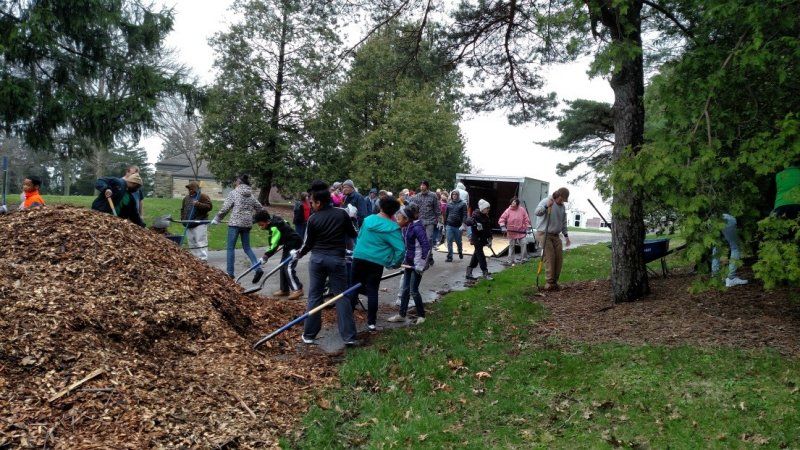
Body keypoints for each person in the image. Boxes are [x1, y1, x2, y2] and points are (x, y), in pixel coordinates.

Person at [295, 181, 360, 346]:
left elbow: (307, 244)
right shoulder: (342, 214)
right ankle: (349, 336)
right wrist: (353, 219)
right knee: (341, 296)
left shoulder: (313, 219)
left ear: (319, 202)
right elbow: (353, 233)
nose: (311, 205)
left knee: (315, 296)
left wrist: (298, 254)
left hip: (317, 261)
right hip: (337, 260)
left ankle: (309, 334)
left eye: (312, 203)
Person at [349, 196, 405, 331]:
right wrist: (393, 263)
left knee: (353, 287)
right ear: (394, 212)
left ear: (380, 207)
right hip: (376, 262)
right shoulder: (393, 227)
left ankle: (347, 317)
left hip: (359, 257)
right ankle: (371, 322)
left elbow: (360, 237)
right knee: (372, 289)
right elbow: (400, 249)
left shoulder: (368, 220)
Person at [211, 174, 263, 280]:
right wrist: (253, 219)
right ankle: (257, 268)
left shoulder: (234, 193)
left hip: (235, 224)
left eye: (236, 181)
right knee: (247, 248)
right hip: (247, 225)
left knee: (230, 248)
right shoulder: (251, 195)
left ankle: (230, 273)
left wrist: (217, 218)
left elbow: (225, 208)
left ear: (239, 182)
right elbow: (260, 209)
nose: (235, 182)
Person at [388, 204, 429, 325]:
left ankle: (422, 316)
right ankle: (402, 314)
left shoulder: (417, 228)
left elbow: (425, 246)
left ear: (407, 218)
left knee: (414, 290)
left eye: (400, 218)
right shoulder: (407, 227)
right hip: (409, 263)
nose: (398, 220)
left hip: (417, 264)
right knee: (405, 289)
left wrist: (421, 264)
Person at [254, 210, 305, 299]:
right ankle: (285, 289)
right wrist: (284, 239)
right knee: (282, 266)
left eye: (262, 225)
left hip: (295, 244)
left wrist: (266, 256)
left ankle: (298, 290)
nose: (261, 227)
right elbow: (286, 223)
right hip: (288, 244)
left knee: (288, 267)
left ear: (267, 221)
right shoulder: (276, 220)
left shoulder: (274, 227)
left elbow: (273, 245)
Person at [534, 187, 571, 290]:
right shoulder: (547, 201)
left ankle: (555, 282)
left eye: (564, 200)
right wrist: (546, 206)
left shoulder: (562, 207)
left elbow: (563, 222)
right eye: (562, 199)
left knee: (559, 258)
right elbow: (537, 212)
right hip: (544, 233)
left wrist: (566, 236)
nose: (562, 202)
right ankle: (549, 283)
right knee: (550, 257)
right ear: (558, 196)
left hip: (556, 235)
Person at [711, 213, 748, 287]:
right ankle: (731, 278)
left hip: (712, 218)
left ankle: (716, 277)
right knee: (735, 247)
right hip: (726, 218)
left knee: (716, 247)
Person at [181, 181, 213, 261]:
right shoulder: (186, 198)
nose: (189, 190)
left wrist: (198, 204)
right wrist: (183, 219)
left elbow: (209, 207)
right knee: (191, 242)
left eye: (191, 189)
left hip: (200, 223)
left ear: (195, 189)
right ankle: (194, 258)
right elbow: (183, 209)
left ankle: (203, 259)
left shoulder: (202, 196)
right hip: (188, 223)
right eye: (189, 189)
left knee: (200, 241)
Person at [410, 180, 439, 265]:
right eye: (421, 185)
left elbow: (436, 208)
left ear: (427, 186)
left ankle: (428, 256)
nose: (422, 187)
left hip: (430, 220)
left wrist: (440, 220)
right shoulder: (417, 196)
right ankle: (426, 256)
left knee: (429, 238)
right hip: (420, 221)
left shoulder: (433, 195)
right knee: (420, 239)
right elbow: (413, 208)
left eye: (423, 185)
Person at [465, 199, 493, 281]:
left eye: (488, 208)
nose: (488, 210)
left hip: (482, 239)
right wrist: (475, 223)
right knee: (481, 256)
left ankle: (468, 272)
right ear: (482, 208)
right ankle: (485, 273)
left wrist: (490, 238)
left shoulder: (486, 216)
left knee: (476, 256)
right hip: (477, 239)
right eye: (487, 208)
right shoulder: (476, 215)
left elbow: (488, 229)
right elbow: (468, 221)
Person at [499, 197, 532, 265]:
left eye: (514, 202)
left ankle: (524, 259)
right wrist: (503, 226)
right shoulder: (508, 210)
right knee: (512, 246)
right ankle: (510, 260)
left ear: (517, 203)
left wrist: (528, 228)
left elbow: (526, 219)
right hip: (511, 231)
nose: (513, 203)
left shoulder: (522, 210)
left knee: (524, 243)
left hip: (521, 231)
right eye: (512, 202)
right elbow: (502, 219)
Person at [444, 190, 467, 262]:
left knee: (458, 242)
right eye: (453, 195)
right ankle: (450, 256)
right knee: (449, 241)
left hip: (458, 226)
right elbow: (446, 214)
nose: (454, 196)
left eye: (455, 195)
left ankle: (460, 251)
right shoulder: (449, 204)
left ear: (458, 195)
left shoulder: (463, 204)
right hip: (449, 225)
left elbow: (465, 214)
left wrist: (463, 224)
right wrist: (445, 224)